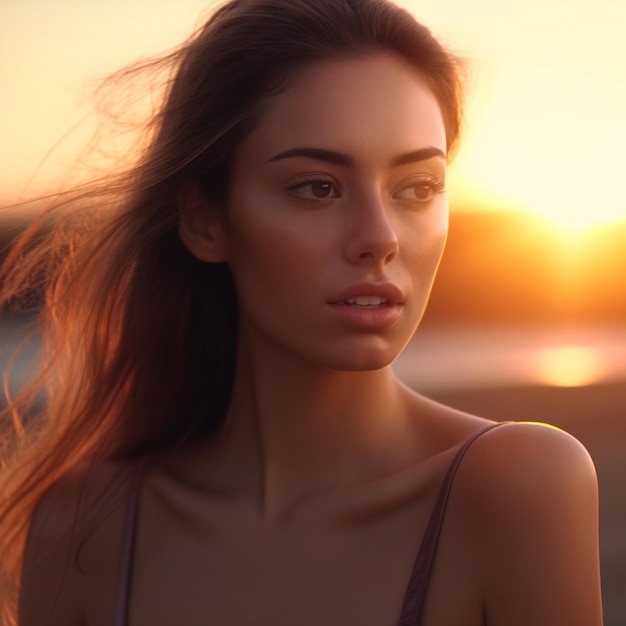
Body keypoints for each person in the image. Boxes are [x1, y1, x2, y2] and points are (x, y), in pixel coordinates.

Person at [0, 0, 603, 624]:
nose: (380, 236)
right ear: (204, 220)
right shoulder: (85, 526)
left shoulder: (518, 488)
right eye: (317, 187)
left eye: (417, 188)